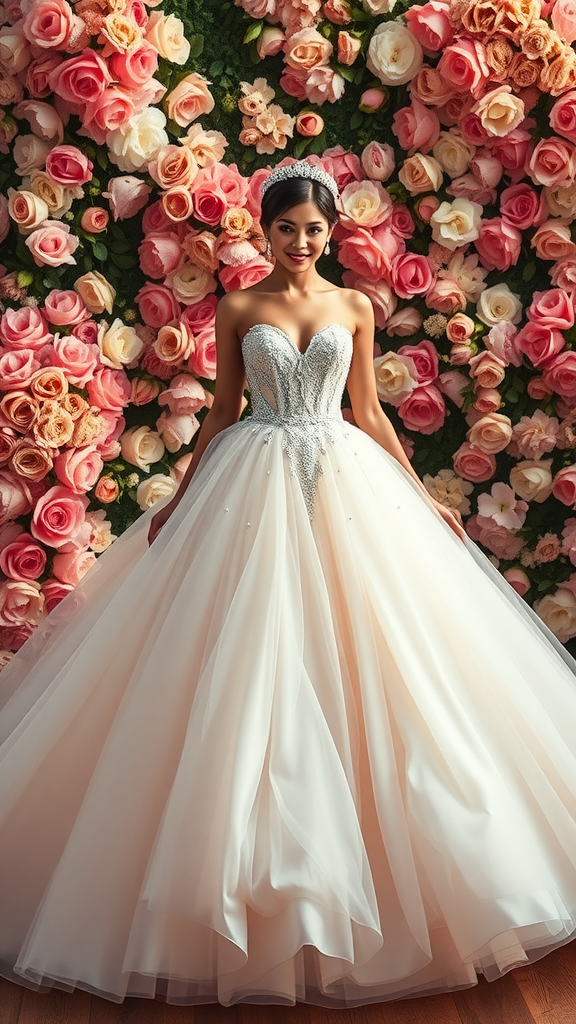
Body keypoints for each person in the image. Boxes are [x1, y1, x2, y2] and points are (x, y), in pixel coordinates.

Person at [1, 159, 576, 1009]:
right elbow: (224, 409)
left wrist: (424, 501)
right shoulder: (241, 307)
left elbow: (370, 411)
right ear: (263, 232)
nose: (302, 242)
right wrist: (185, 497)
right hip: (253, 475)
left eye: (316, 229)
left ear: (332, 232)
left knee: (380, 647)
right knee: (247, 646)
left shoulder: (353, 305)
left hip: (347, 476)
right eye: (286, 229)